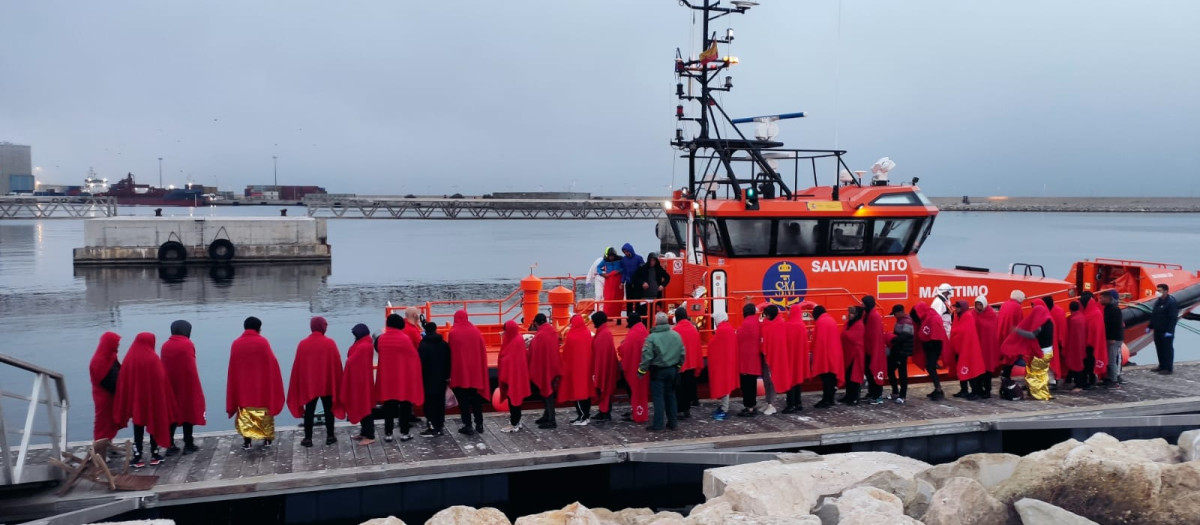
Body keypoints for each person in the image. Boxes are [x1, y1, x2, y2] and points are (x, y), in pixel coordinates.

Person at [113, 332, 176, 468]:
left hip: (136, 401)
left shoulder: (129, 358)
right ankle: (154, 454)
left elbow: (124, 380)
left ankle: (138, 456)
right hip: (152, 400)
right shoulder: (153, 359)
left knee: (138, 427)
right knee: (154, 423)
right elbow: (161, 380)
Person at [227, 317, 285, 450]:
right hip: (261, 387)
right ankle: (266, 440)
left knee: (245, 413)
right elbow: (272, 363)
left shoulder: (236, 344)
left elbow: (233, 368)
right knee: (263, 412)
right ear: (258, 328)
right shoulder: (262, 342)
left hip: (243, 389)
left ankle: (247, 442)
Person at [287, 317, 343, 447]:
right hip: (327, 383)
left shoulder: (303, 344)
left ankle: (308, 438)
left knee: (309, 411)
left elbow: (298, 366)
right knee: (329, 410)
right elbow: (336, 364)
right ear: (322, 327)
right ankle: (330, 436)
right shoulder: (330, 343)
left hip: (309, 384)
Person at [376, 314, 424, 442]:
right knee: (405, 406)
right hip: (403, 378)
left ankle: (388, 433)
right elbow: (413, 357)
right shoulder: (404, 339)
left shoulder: (382, 339)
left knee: (389, 407)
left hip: (387, 378)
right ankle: (404, 433)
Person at [161, 320, 206, 455]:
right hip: (187, 384)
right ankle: (188, 444)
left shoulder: (165, 345)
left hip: (169, 385)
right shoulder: (187, 344)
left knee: (172, 414)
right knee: (188, 413)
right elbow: (190, 367)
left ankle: (169, 444)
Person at [638, 312, 685, 432]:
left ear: (656, 322)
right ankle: (673, 423)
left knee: (658, 398)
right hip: (673, 370)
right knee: (671, 396)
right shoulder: (676, 335)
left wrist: (641, 372)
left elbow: (647, 357)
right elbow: (682, 354)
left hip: (658, 371)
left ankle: (658, 424)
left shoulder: (652, 338)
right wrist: (678, 367)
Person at [449, 310, 489, 434]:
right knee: (476, 400)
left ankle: (468, 425)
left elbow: (451, 354)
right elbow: (482, 351)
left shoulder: (453, 333)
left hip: (461, 373)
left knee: (463, 401)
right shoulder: (476, 332)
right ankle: (480, 424)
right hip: (475, 373)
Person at [999, 301, 1051, 399]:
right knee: (1039, 373)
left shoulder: (1041, 322)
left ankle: (1039, 394)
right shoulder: (1047, 320)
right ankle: (1038, 392)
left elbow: (1032, 335)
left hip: (1042, 351)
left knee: (1036, 373)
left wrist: (1018, 331)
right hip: (1044, 350)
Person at [342, 323, 377, 444]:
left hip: (361, 381)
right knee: (363, 406)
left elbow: (351, 361)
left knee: (365, 407)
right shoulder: (365, 344)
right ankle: (364, 432)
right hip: (362, 379)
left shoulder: (363, 346)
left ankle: (370, 435)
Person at [528, 314, 563, 429]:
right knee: (549, 392)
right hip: (553, 366)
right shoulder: (552, 331)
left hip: (544, 368)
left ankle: (551, 419)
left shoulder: (540, 335)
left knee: (547, 393)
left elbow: (533, 351)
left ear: (536, 323)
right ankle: (547, 415)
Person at [560, 315, 595, 426]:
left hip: (575, 369)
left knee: (578, 393)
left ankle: (582, 417)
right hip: (587, 368)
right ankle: (586, 415)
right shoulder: (588, 333)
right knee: (587, 393)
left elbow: (566, 353)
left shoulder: (571, 336)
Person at [417, 322, 451, 437]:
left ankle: (431, 426)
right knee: (440, 403)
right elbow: (448, 362)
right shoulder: (444, 344)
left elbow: (420, 363)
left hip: (427, 379)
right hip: (441, 379)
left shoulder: (423, 345)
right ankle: (440, 426)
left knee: (429, 404)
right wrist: (447, 376)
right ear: (436, 329)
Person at [498, 320, 532, 432]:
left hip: (513, 377)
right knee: (514, 399)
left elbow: (509, 359)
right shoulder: (517, 339)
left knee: (514, 399)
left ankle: (514, 423)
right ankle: (516, 421)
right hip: (516, 376)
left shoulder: (514, 341)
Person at [948, 301, 986, 399]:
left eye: (958, 307)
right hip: (958, 349)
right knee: (960, 369)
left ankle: (974, 391)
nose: (956, 309)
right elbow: (956, 330)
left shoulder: (968, 316)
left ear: (963, 308)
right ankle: (964, 390)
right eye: (956, 307)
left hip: (968, 349)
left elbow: (966, 332)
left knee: (970, 369)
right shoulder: (957, 316)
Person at [89, 332, 122, 442]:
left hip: (111, 395)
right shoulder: (99, 361)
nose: (118, 345)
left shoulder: (110, 356)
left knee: (111, 422)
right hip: (103, 397)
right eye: (116, 343)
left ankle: (108, 444)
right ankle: (100, 448)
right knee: (103, 422)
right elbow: (106, 381)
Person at [618, 311, 651, 423]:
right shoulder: (643, 330)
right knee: (640, 392)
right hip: (643, 366)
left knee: (636, 392)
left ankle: (638, 413)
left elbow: (624, 349)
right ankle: (637, 411)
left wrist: (621, 346)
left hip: (635, 367)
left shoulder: (634, 333)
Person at [809, 306, 844, 408]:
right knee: (831, 379)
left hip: (826, 356)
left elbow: (818, 341)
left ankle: (826, 400)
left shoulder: (821, 322)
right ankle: (830, 399)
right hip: (834, 354)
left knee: (826, 379)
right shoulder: (830, 319)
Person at [759, 305, 790, 415]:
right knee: (766, 379)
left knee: (771, 380)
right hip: (766, 354)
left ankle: (772, 403)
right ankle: (768, 402)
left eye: (767, 314)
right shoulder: (767, 324)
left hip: (774, 356)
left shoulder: (779, 325)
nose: (765, 316)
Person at [707, 311, 739, 420]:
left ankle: (724, 409)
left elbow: (712, 344)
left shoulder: (722, 330)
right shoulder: (728, 328)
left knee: (724, 385)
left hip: (723, 363)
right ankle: (723, 407)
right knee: (726, 385)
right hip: (728, 361)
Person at [913, 303, 948, 400]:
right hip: (931, 346)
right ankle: (937, 389)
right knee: (930, 367)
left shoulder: (932, 318)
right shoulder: (928, 316)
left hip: (934, 346)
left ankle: (939, 390)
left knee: (930, 367)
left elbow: (936, 336)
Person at [674, 306, 703, 419]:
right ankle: (687, 410)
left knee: (679, 389)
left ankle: (680, 410)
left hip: (680, 364)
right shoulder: (693, 329)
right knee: (688, 386)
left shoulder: (675, 331)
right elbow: (697, 348)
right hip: (692, 363)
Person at [736, 304, 764, 416]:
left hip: (745, 361)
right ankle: (752, 406)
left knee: (746, 386)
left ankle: (749, 408)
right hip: (755, 360)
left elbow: (738, 338)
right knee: (752, 384)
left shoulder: (744, 324)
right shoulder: (758, 323)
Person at [591, 312, 620, 422]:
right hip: (606, 367)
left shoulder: (603, 334)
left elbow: (601, 356)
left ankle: (605, 412)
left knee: (605, 390)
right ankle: (604, 411)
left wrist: (597, 373)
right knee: (606, 390)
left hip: (604, 368)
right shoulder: (605, 333)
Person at [861, 296, 887, 404]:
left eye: (863, 304)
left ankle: (877, 395)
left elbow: (875, 335)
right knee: (869, 372)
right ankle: (872, 392)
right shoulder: (868, 314)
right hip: (869, 349)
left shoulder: (874, 316)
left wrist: (874, 351)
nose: (862, 305)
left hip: (874, 350)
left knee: (875, 371)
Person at [783, 305, 809, 413]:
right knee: (798, 380)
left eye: (789, 310)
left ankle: (791, 404)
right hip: (799, 357)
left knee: (790, 380)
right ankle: (798, 403)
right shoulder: (802, 325)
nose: (788, 312)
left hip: (790, 357)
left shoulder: (788, 325)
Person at [973, 296, 999, 399]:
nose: (978, 307)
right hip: (978, 346)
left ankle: (987, 390)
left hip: (988, 348)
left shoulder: (991, 315)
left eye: (980, 304)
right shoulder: (973, 314)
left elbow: (991, 332)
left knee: (987, 371)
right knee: (978, 370)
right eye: (976, 304)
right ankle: (978, 389)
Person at [1149, 284, 1179, 374]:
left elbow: (1173, 318)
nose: (1157, 292)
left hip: (1166, 330)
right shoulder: (1158, 302)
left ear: (1166, 291)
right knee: (1159, 348)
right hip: (1157, 330)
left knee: (1167, 349)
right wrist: (1150, 326)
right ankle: (1161, 365)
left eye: (1159, 290)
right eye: (1157, 290)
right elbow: (1154, 315)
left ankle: (1168, 368)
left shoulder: (1171, 303)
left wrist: (1170, 331)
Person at [887, 305, 913, 404]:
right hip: (897, 350)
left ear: (900, 312)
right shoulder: (901, 321)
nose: (894, 316)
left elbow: (904, 337)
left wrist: (891, 339)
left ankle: (902, 395)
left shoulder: (907, 322)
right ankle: (895, 392)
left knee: (902, 373)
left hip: (902, 351)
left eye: (895, 314)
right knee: (890, 370)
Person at [631, 253, 671, 318]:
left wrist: (662, 285)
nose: (652, 262)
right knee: (643, 315)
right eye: (651, 260)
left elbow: (668, 277)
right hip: (643, 297)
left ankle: (651, 327)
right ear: (648, 260)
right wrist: (642, 283)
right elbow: (634, 279)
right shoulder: (642, 268)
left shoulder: (658, 268)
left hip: (654, 297)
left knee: (652, 315)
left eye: (654, 260)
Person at [1081, 292, 1107, 387]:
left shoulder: (1093, 314)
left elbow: (1093, 329)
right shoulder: (1095, 312)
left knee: (1089, 362)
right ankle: (1091, 379)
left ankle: (1090, 379)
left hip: (1090, 343)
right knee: (1089, 362)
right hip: (1090, 342)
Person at [1100, 290, 1125, 389]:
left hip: (1114, 339)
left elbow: (1114, 326)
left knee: (1111, 360)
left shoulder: (1114, 310)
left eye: (1102, 297)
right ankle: (1110, 378)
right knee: (1110, 359)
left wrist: (1112, 338)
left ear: (1109, 298)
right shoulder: (1109, 308)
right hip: (1112, 338)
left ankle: (1114, 381)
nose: (1100, 299)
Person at [1043, 296, 1067, 389]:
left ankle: (1052, 380)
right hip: (1055, 340)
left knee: (1051, 361)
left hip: (1051, 341)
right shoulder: (1059, 311)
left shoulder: (1048, 313)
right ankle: (1054, 379)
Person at [1064, 301, 1088, 392]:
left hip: (1074, 346)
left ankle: (1078, 384)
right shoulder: (1082, 317)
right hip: (1082, 345)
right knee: (1079, 364)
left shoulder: (1073, 320)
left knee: (1076, 365)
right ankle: (1072, 380)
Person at [620, 243, 646, 321]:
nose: (626, 253)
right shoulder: (624, 260)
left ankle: (638, 319)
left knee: (638, 302)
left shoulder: (639, 258)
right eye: (624, 252)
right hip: (628, 283)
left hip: (637, 283)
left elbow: (643, 271)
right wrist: (622, 282)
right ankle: (629, 320)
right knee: (629, 303)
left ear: (630, 250)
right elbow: (624, 272)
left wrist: (643, 281)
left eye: (627, 251)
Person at [598, 248, 624, 322]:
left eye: (612, 256)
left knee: (618, 299)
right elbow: (598, 267)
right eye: (610, 256)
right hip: (609, 281)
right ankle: (608, 316)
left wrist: (619, 271)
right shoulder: (605, 260)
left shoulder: (620, 259)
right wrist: (602, 273)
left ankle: (618, 317)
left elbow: (624, 268)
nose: (611, 258)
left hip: (618, 281)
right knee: (608, 299)